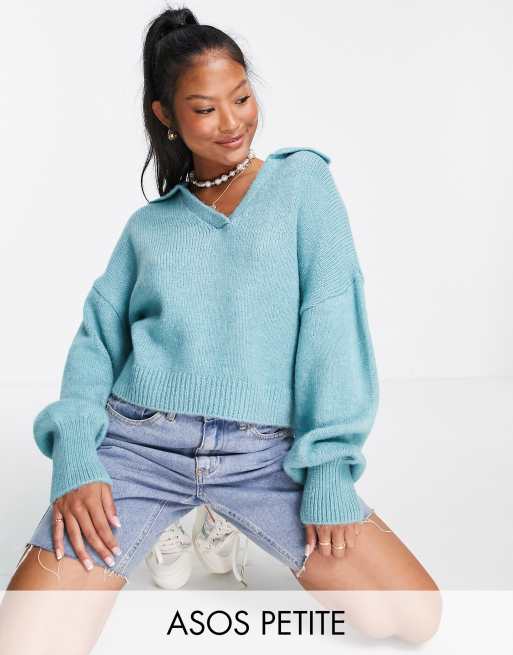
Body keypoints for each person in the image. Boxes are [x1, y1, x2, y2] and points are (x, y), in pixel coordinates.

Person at [1, 5, 442, 650]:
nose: (232, 122)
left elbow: (333, 328)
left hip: (263, 456)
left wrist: (328, 471)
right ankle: (172, 518)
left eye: (241, 97)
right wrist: (76, 459)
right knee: (25, 641)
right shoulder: (148, 228)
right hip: (139, 448)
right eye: (205, 108)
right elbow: (95, 344)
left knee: (410, 618)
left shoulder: (302, 184)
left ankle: (222, 518)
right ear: (166, 115)